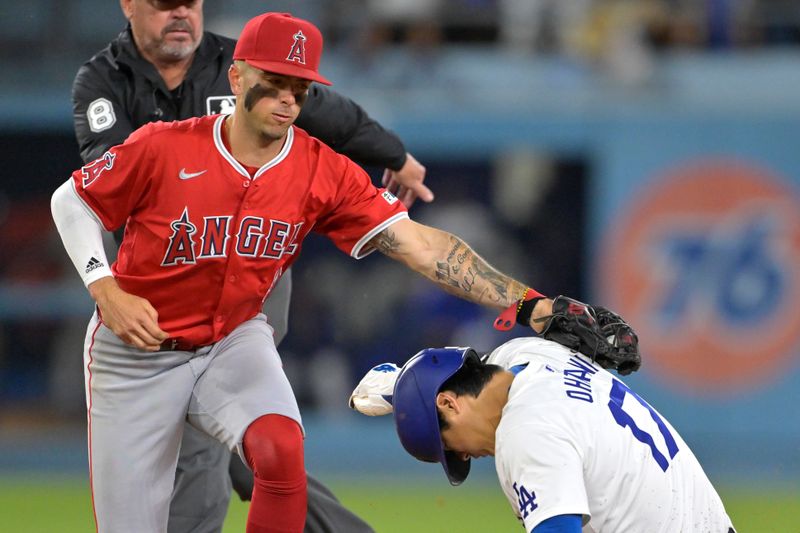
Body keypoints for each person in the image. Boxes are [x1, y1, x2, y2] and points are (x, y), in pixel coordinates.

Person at [50, 11, 596, 532]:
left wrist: (532, 305)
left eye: (301, 88)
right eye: (275, 82)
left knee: (281, 449)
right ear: (237, 78)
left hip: (231, 338)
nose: (288, 99)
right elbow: (70, 201)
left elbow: (422, 246)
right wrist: (104, 286)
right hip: (138, 355)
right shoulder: (163, 146)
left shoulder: (320, 170)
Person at [71, 1, 431, 532]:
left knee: (243, 447)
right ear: (129, 5)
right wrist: (107, 282)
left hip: (249, 286)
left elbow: (327, 110)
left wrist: (394, 154)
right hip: (166, 277)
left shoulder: (237, 60)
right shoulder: (103, 80)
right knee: (246, 453)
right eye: (164, 4)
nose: (180, 15)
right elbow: (109, 178)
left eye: (189, 3)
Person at [351, 337, 736, 532]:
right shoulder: (530, 354)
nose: (464, 456)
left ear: (450, 404)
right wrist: (401, 386)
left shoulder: (524, 435)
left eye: (450, 447)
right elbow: (472, 370)